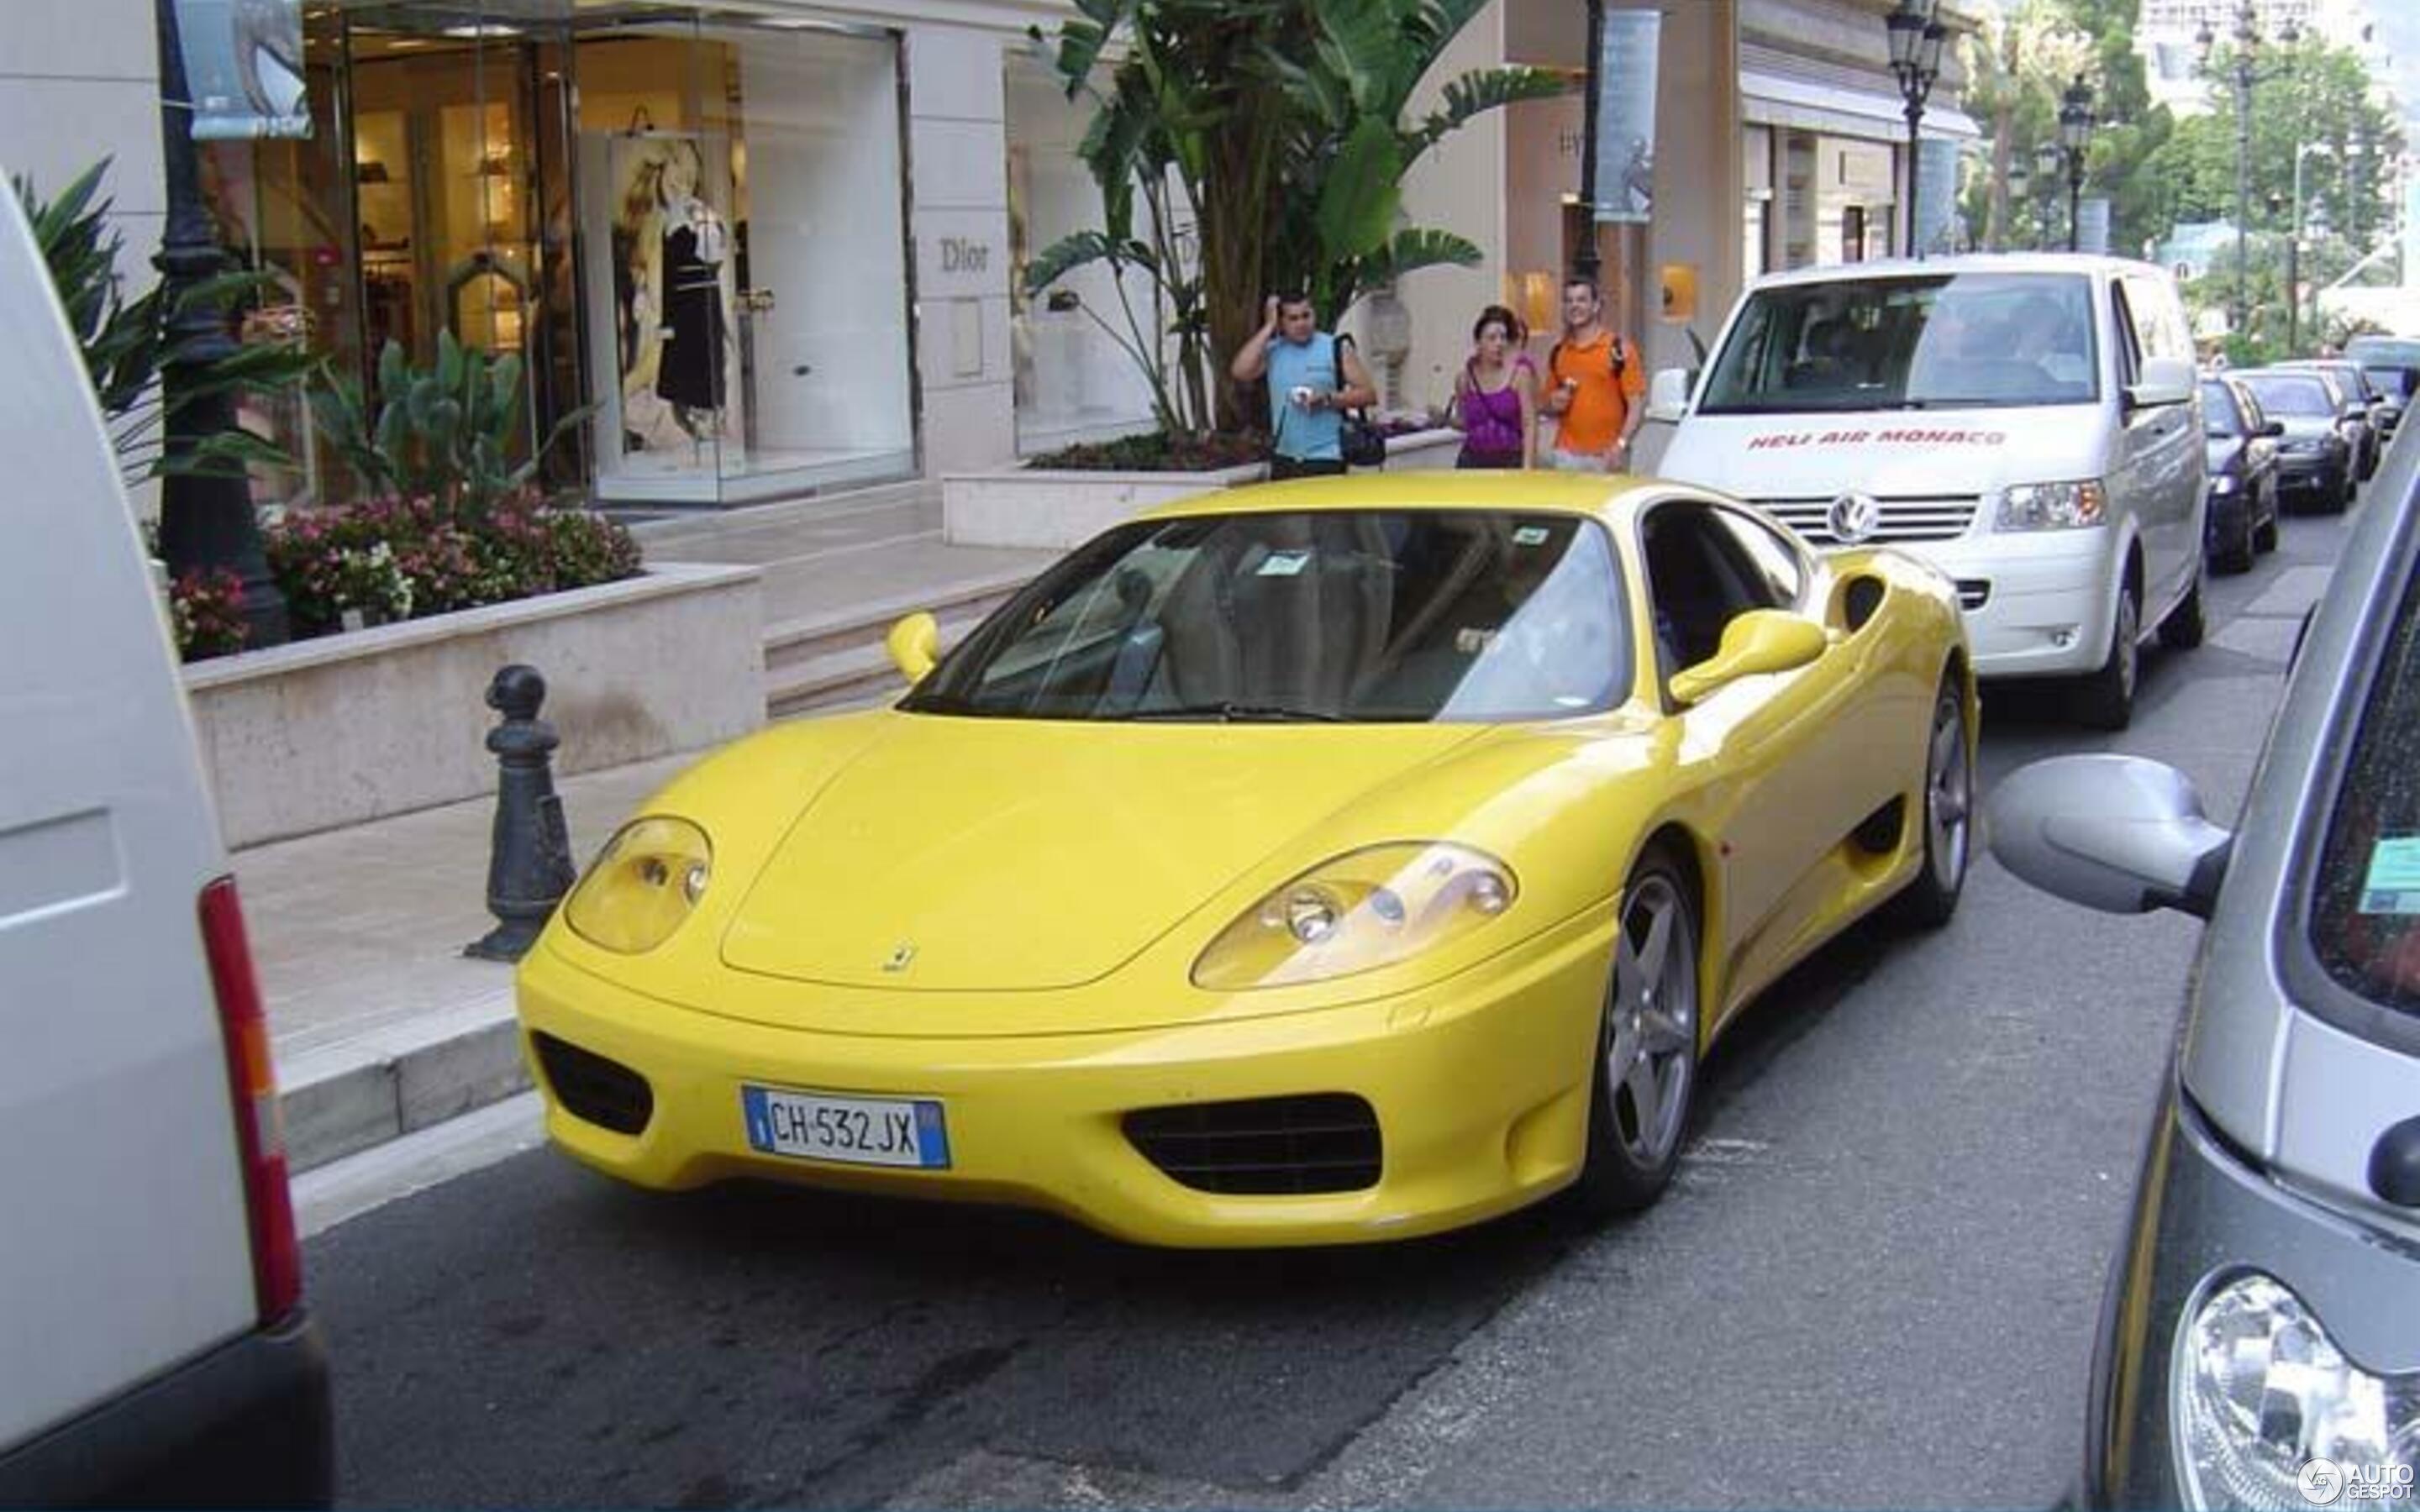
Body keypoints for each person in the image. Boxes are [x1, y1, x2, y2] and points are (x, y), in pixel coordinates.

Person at [1230, 291, 1377, 479]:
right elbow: (1240, 371)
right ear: (1282, 322)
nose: (1301, 324)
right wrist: (1268, 327)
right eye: (1293, 318)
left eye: (1306, 316)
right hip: (1285, 457)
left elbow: (1369, 394)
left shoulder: (1335, 347)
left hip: (1327, 456)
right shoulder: (1273, 350)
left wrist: (1326, 399)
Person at [1542, 277, 1647, 471]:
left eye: (1582, 300)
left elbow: (1636, 406)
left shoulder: (1619, 350)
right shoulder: (1559, 352)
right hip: (1566, 453)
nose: (1575, 306)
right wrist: (1553, 403)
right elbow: (1546, 406)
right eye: (1569, 300)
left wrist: (1620, 445)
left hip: (1607, 454)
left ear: (1596, 305)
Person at [1450, 305, 1539, 469]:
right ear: (1478, 343)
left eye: (1503, 338)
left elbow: (1529, 423)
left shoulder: (1520, 374)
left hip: (1510, 458)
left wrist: (1528, 468)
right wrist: (1444, 420)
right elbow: (1464, 422)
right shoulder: (1464, 379)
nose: (1499, 343)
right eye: (1492, 338)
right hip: (1473, 459)